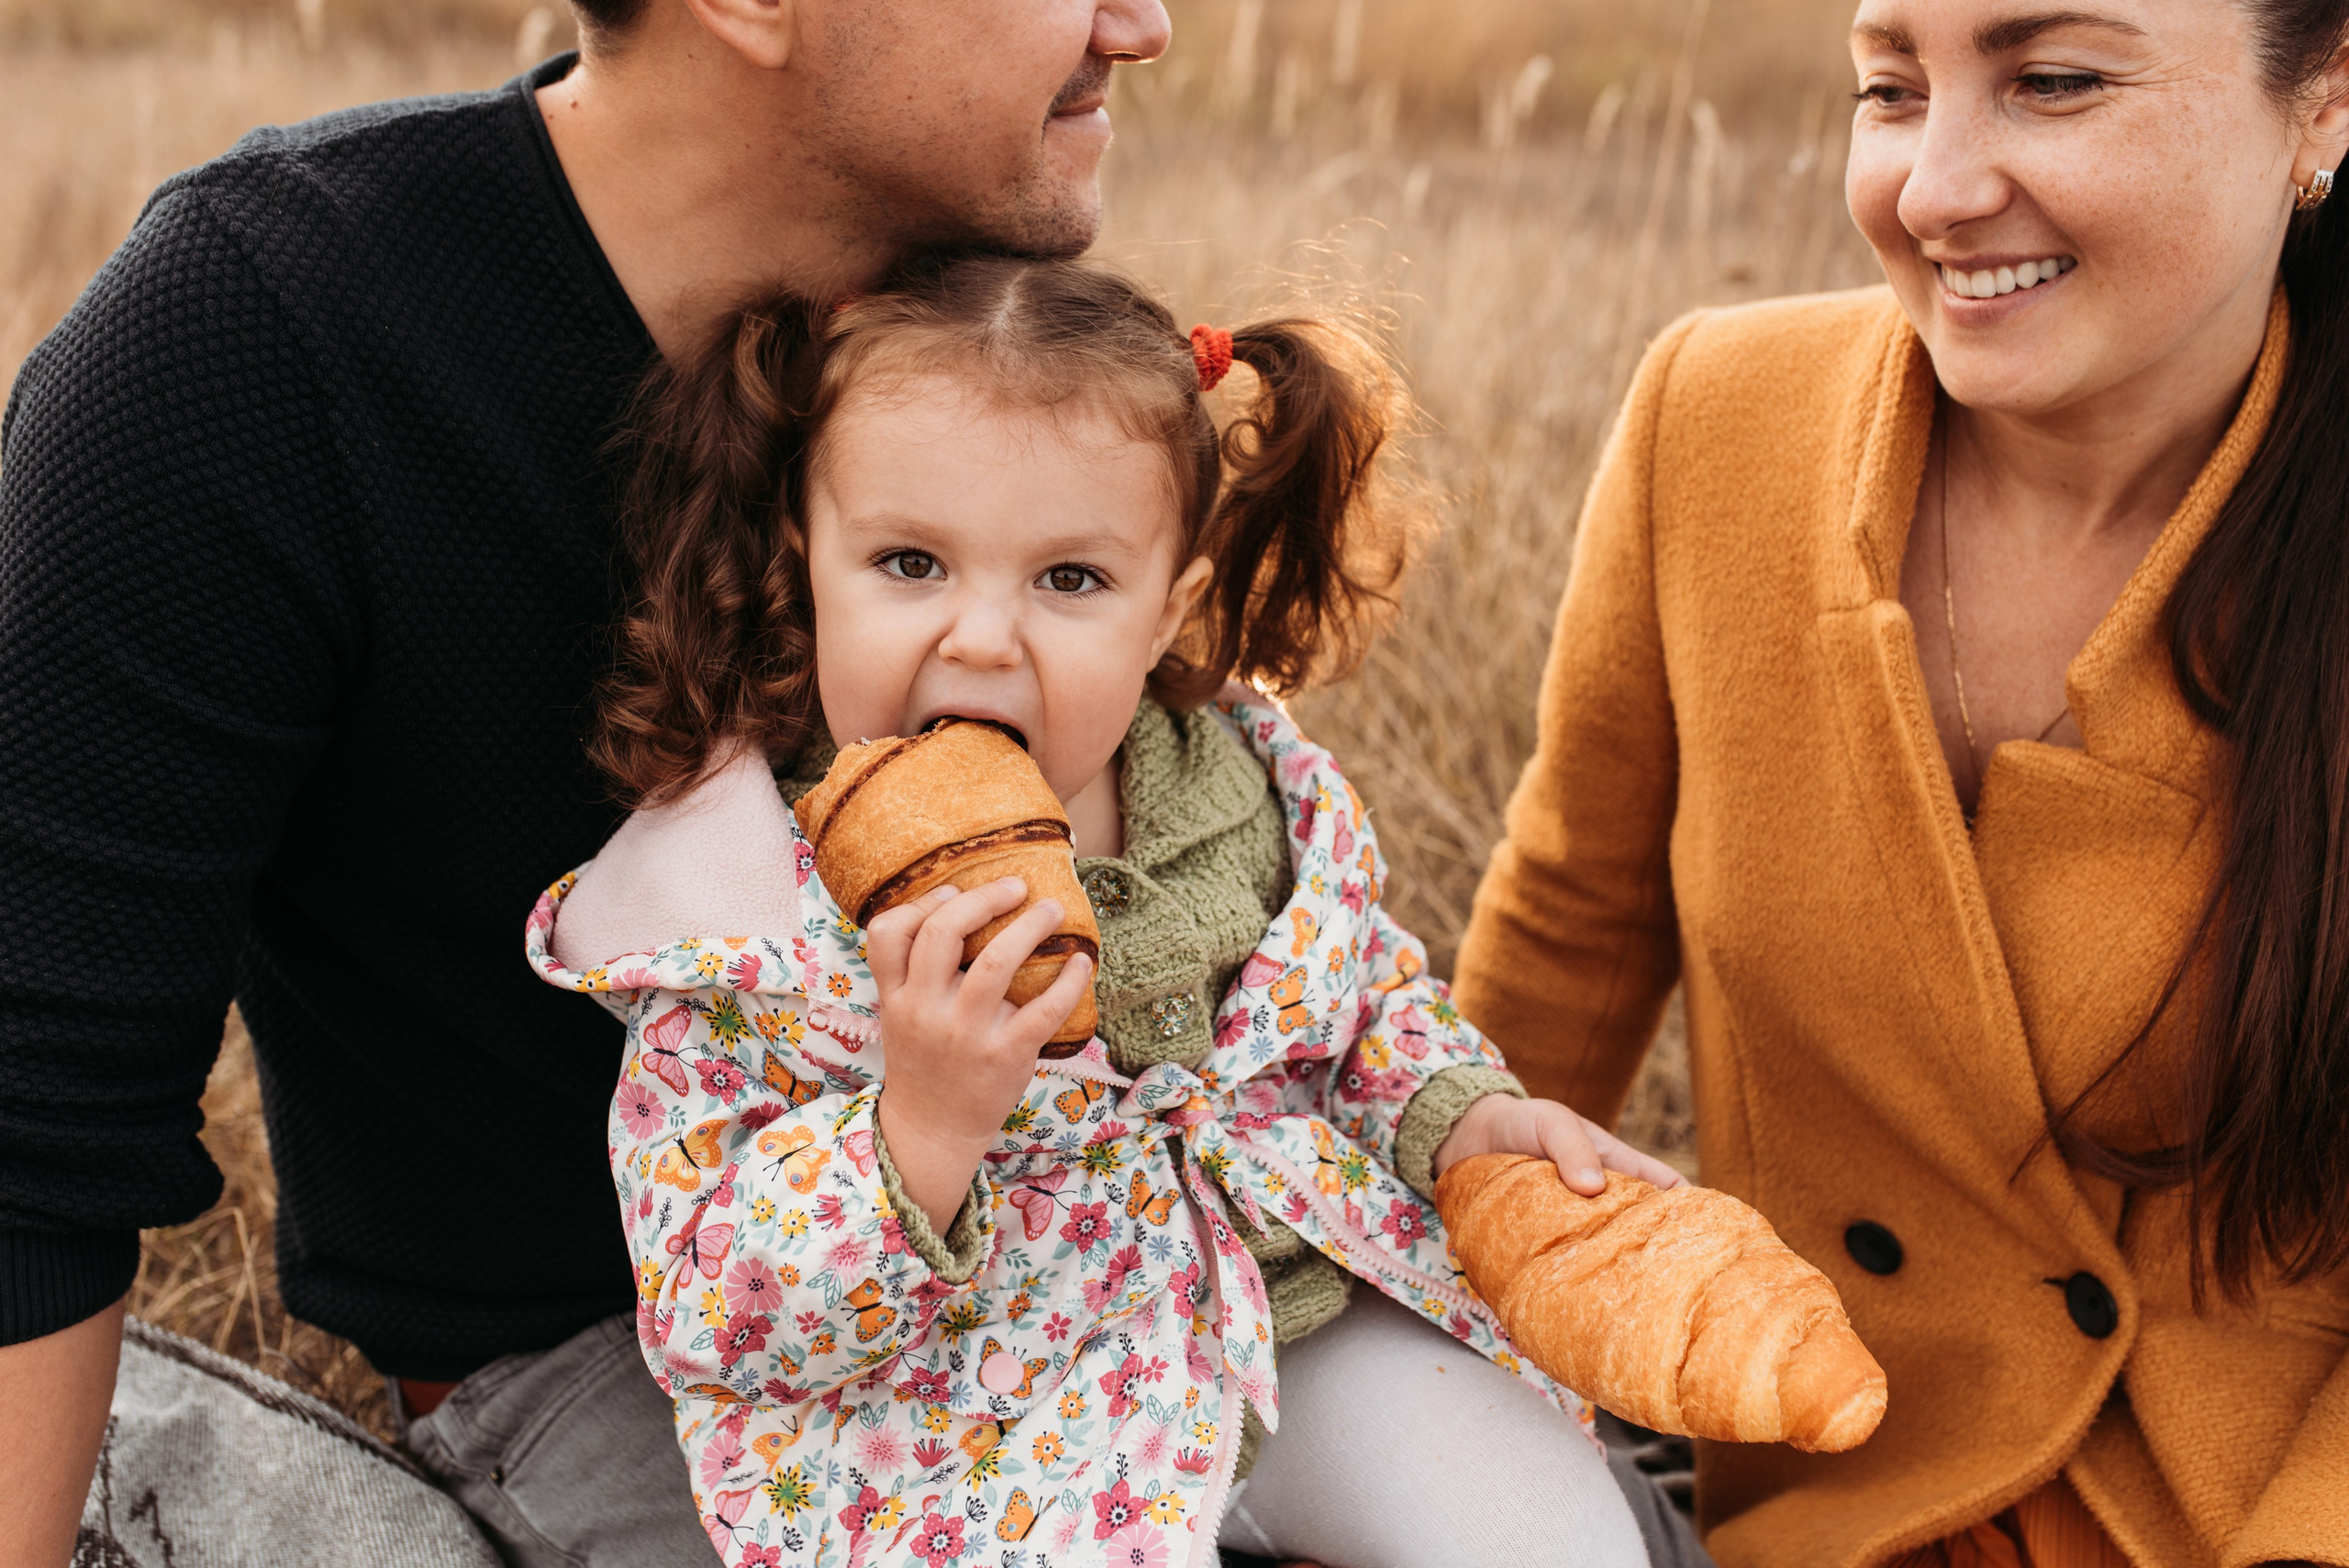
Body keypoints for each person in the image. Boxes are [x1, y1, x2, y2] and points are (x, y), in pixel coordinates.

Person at [0, 2, 1174, 1564]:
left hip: (1091, 1288)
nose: (1142, 21)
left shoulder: (993, 336)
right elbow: (30, 1122)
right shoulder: (265, 339)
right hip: (628, 1401)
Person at [526, 254, 1681, 1567]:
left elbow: (1357, 1009)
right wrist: (917, 1128)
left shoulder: (1239, 787)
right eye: (910, 562)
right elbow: (708, 1306)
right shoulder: (739, 904)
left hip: (1287, 1322)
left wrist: (1467, 1113)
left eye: (1069, 579)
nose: (981, 637)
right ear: (808, 563)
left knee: (1558, 1531)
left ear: (1167, 610)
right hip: (975, 1425)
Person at [1452, 1, 2349, 1565]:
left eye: (2052, 82)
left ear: (2325, 98)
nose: (1931, 187)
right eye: (1889, 88)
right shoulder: (1716, 418)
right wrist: (1405, 1382)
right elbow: (1562, 947)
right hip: (1822, 1507)